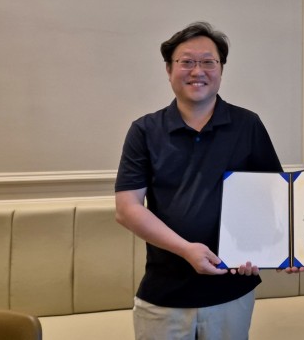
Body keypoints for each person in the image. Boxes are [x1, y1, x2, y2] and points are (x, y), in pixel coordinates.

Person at [115, 21, 282, 340]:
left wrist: (264, 252)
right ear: (169, 69)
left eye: (208, 62)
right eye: (187, 62)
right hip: (164, 293)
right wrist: (186, 249)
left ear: (221, 69)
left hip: (232, 288)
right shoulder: (144, 131)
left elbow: (273, 197)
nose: (198, 71)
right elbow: (127, 209)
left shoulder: (248, 125)